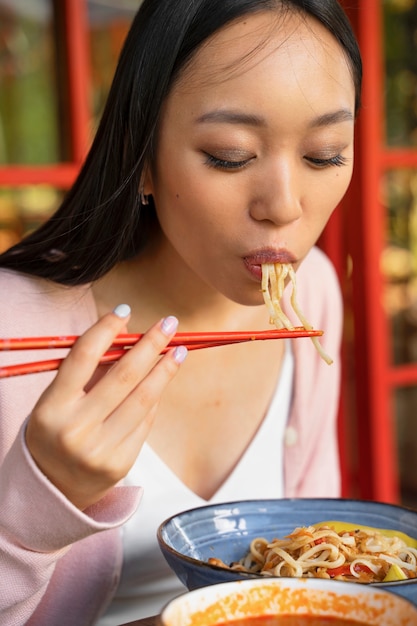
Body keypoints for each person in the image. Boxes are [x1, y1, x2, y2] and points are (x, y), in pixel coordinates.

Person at [0, 0, 362, 624]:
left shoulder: (311, 295)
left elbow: (317, 558)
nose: (283, 206)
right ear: (142, 154)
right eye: (229, 154)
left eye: (325, 154)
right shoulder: (14, 323)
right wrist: (37, 509)